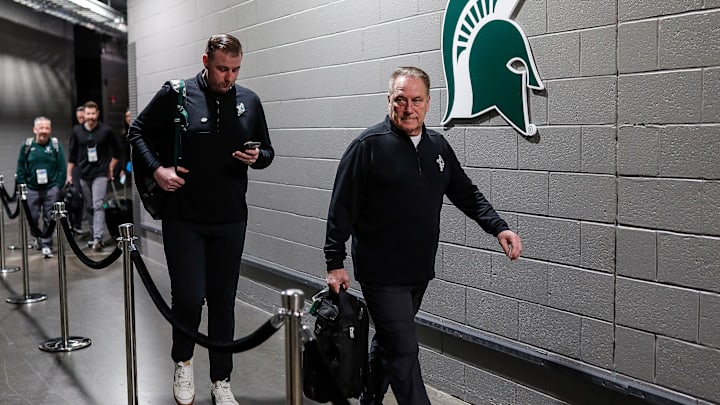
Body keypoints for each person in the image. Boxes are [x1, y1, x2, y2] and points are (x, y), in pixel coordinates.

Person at [324, 67, 523, 405]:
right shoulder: (367, 147)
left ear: (428, 103)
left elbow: (466, 193)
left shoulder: (438, 147)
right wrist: (335, 262)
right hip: (381, 272)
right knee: (404, 351)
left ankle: (369, 400)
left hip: (418, 271)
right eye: (400, 100)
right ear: (389, 100)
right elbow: (341, 206)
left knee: (388, 343)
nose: (408, 108)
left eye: (416, 100)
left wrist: (498, 227)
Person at [128, 33, 274, 405]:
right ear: (206, 60)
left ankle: (221, 380)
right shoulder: (176, 93)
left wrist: (258, 158)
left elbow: (268, 150)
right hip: (184, 217)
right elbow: (137, 132)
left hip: (230, 217)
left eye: (236, 70)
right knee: (190, 299)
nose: (229, 77)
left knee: (223, 301)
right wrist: (158, 170)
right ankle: (183, 361)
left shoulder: (249, 101)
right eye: (223, 68)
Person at [66, 101, 120, 250]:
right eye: (88, 114)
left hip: (100, 173)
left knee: (98, 205)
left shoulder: (106, 130)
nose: (90, 116)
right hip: (83, 174)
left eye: (93, 113)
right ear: (84, 114)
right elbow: (72, 154)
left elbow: (117, 152)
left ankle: (98, 238)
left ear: (98, 114)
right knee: (89, 206)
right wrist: (69, 174)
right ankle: (92, 234)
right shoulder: (77, 131)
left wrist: (110, 168)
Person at [15, 117, 66, 258]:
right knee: (32, 216)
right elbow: (20, 166)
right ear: (35, 129)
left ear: (50, 129)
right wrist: (22, 183)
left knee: (50, 217)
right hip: (32, 188)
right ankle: (37, 236)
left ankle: (46, 244)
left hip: (51, 188)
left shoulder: (55, 145)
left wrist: (58, 186)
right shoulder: (27, 146)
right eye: (41, 128)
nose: (44, 131)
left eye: (47, 128)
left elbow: (62, 167)